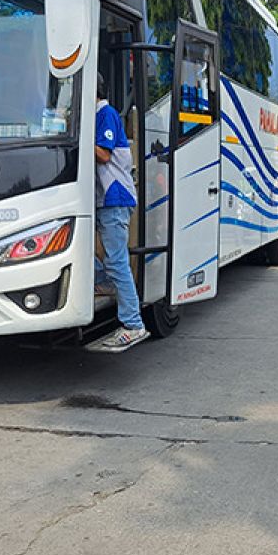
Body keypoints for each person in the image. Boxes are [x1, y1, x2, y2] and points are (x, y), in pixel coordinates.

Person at [92, 74, 149, 351]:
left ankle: (133, 324)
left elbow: (103, 154)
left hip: (115, 197)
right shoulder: (100, 115)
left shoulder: (106, 113)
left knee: (117, 260)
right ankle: (104, 283)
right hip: (105, 200)